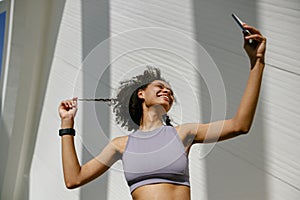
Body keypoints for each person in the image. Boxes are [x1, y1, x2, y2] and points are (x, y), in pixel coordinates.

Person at [58, 24, 266, 200]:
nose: (167, 91)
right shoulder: (121, 145)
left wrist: (256, 62)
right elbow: (73, 179)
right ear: (141, 93)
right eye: (160, 86)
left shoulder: (182, 134)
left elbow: (240, 125)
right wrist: (67, 125)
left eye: (170, 91)